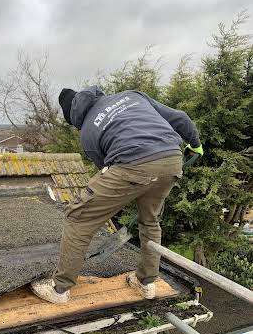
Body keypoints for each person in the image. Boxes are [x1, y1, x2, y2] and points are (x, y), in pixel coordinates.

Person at [31, 86, 203, 304]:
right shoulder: (132, 96)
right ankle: (146, 282)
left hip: (133, 164)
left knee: (77, 217)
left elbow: (111, 172)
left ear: (74, 118)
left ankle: (59, 289)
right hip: (171, 160)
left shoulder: (87, 134)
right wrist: (195, 144)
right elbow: (180, 118)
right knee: (150, 220)